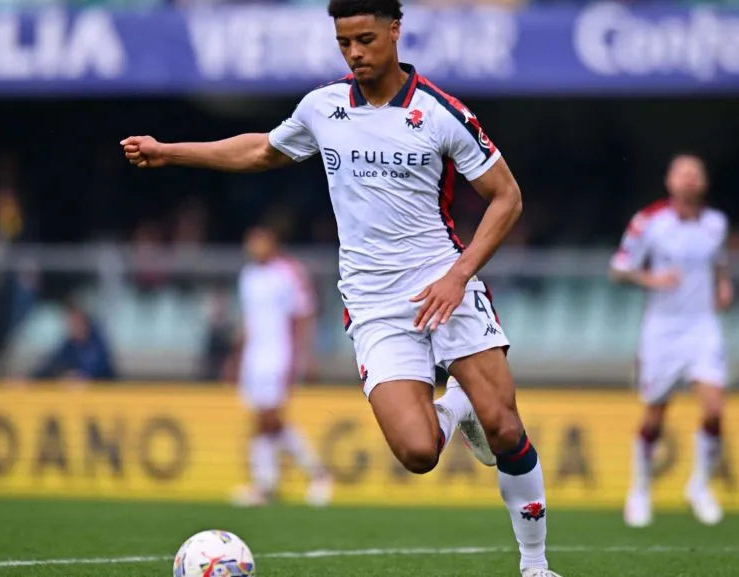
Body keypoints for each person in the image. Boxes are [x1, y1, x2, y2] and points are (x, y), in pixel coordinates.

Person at [121, 1, 557, 574]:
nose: (355, 53)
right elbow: (261, 150)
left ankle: (534, 565)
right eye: (345, 43)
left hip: (443, 285)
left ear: (396, 31)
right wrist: (169, 152)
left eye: (367, 39)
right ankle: (456, 409)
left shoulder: (441, 112)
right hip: (375, 305)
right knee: (419, 452)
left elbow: (508, 197)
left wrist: (459, 276)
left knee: (506, 425)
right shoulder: (322, 108)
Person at [609, 153, 733, 528]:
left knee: (713, 408)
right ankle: (641, 489)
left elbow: (719, 262)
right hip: (662, 329)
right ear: (670, 181)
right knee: (655, 418)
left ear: (705, 183)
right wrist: (652, 280)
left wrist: (723, 284)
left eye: (697, 174)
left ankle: (698, 486)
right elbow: (618, 270)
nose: (690, 180)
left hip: (702, 326)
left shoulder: (715, 224)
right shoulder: (649, 222)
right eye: (683, 174)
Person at [228, 225, 334, 507]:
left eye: (258, 241)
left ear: (273, 243)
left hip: (279, 353)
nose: (253, 247)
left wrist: (306, 356)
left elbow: (304, 316)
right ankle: (266, 486)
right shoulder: (248, 275)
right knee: (261, 421)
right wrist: (236, 357)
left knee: (272, 418)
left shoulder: (289, 271)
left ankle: (317, 473)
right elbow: (248, 320)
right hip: (254, 356)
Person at [30, 302, 117, 383]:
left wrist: (82, 375)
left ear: (85, 324)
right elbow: (52, 366)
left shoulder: (97, 344)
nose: (74, 326)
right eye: (72, 323)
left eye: (77, 322)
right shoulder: (69, 345)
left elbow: (102, 370)